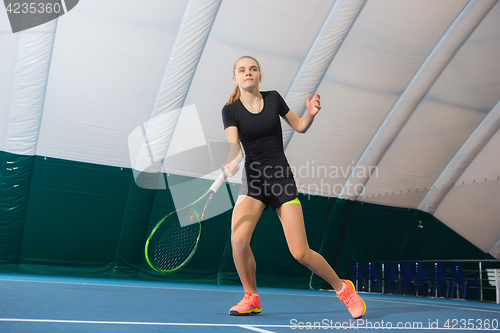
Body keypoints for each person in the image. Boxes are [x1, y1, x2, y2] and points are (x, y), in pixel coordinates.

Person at [221, 56, 366, 319]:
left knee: (300, 252)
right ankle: (250, 297)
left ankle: (343, 288)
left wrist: (309, 114)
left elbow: (299, 126)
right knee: (239, 240)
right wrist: (232, 161)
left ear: (260, 75)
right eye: (242, 70)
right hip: (253, 181)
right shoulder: (230, 111)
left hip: (281, 179)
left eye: (253, 69)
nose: (248, 73)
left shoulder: (274, 98)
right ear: (235, 78)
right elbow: (235, 148)